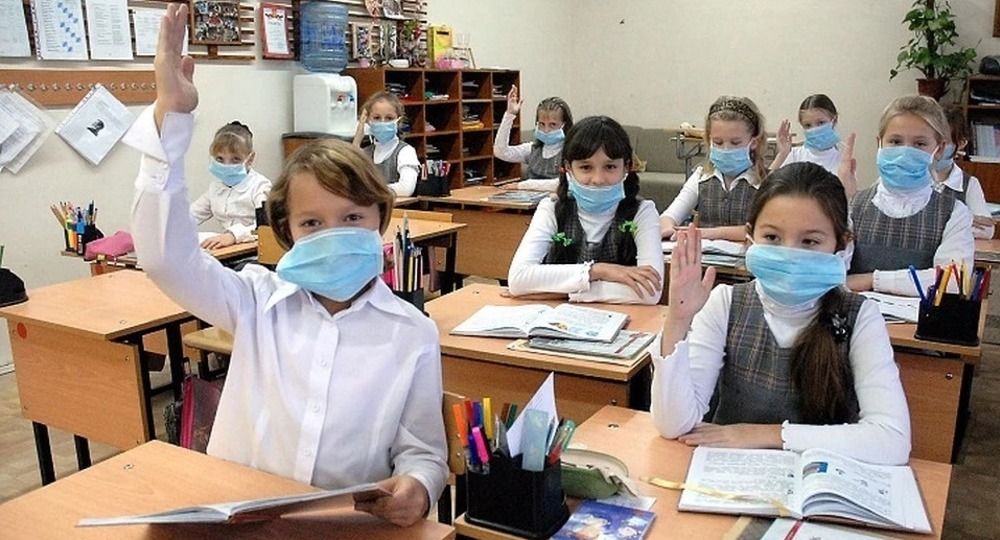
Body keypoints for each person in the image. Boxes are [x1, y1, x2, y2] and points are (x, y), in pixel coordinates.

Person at [126, 5, 447, 526]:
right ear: (287, 232)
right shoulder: (256, 302)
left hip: (340, 526)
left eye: (352, 217)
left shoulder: (412, 332)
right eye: (312, 223)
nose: (334, 234)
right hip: (239, 521)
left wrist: (420, 487)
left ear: (380, 220)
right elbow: (165, 258)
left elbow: (423, 451)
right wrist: (172, 118)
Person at [651, 162, 911, 465]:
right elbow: (674, 425)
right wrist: (678, 320)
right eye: (772, 238)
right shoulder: (725, 302)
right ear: (750, 235)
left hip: (820, 482)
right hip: (729, 477)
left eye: (810, 241)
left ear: (841, 245)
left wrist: (765, 435)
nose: (789, 253)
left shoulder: (861, 316)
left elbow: (892, 440)